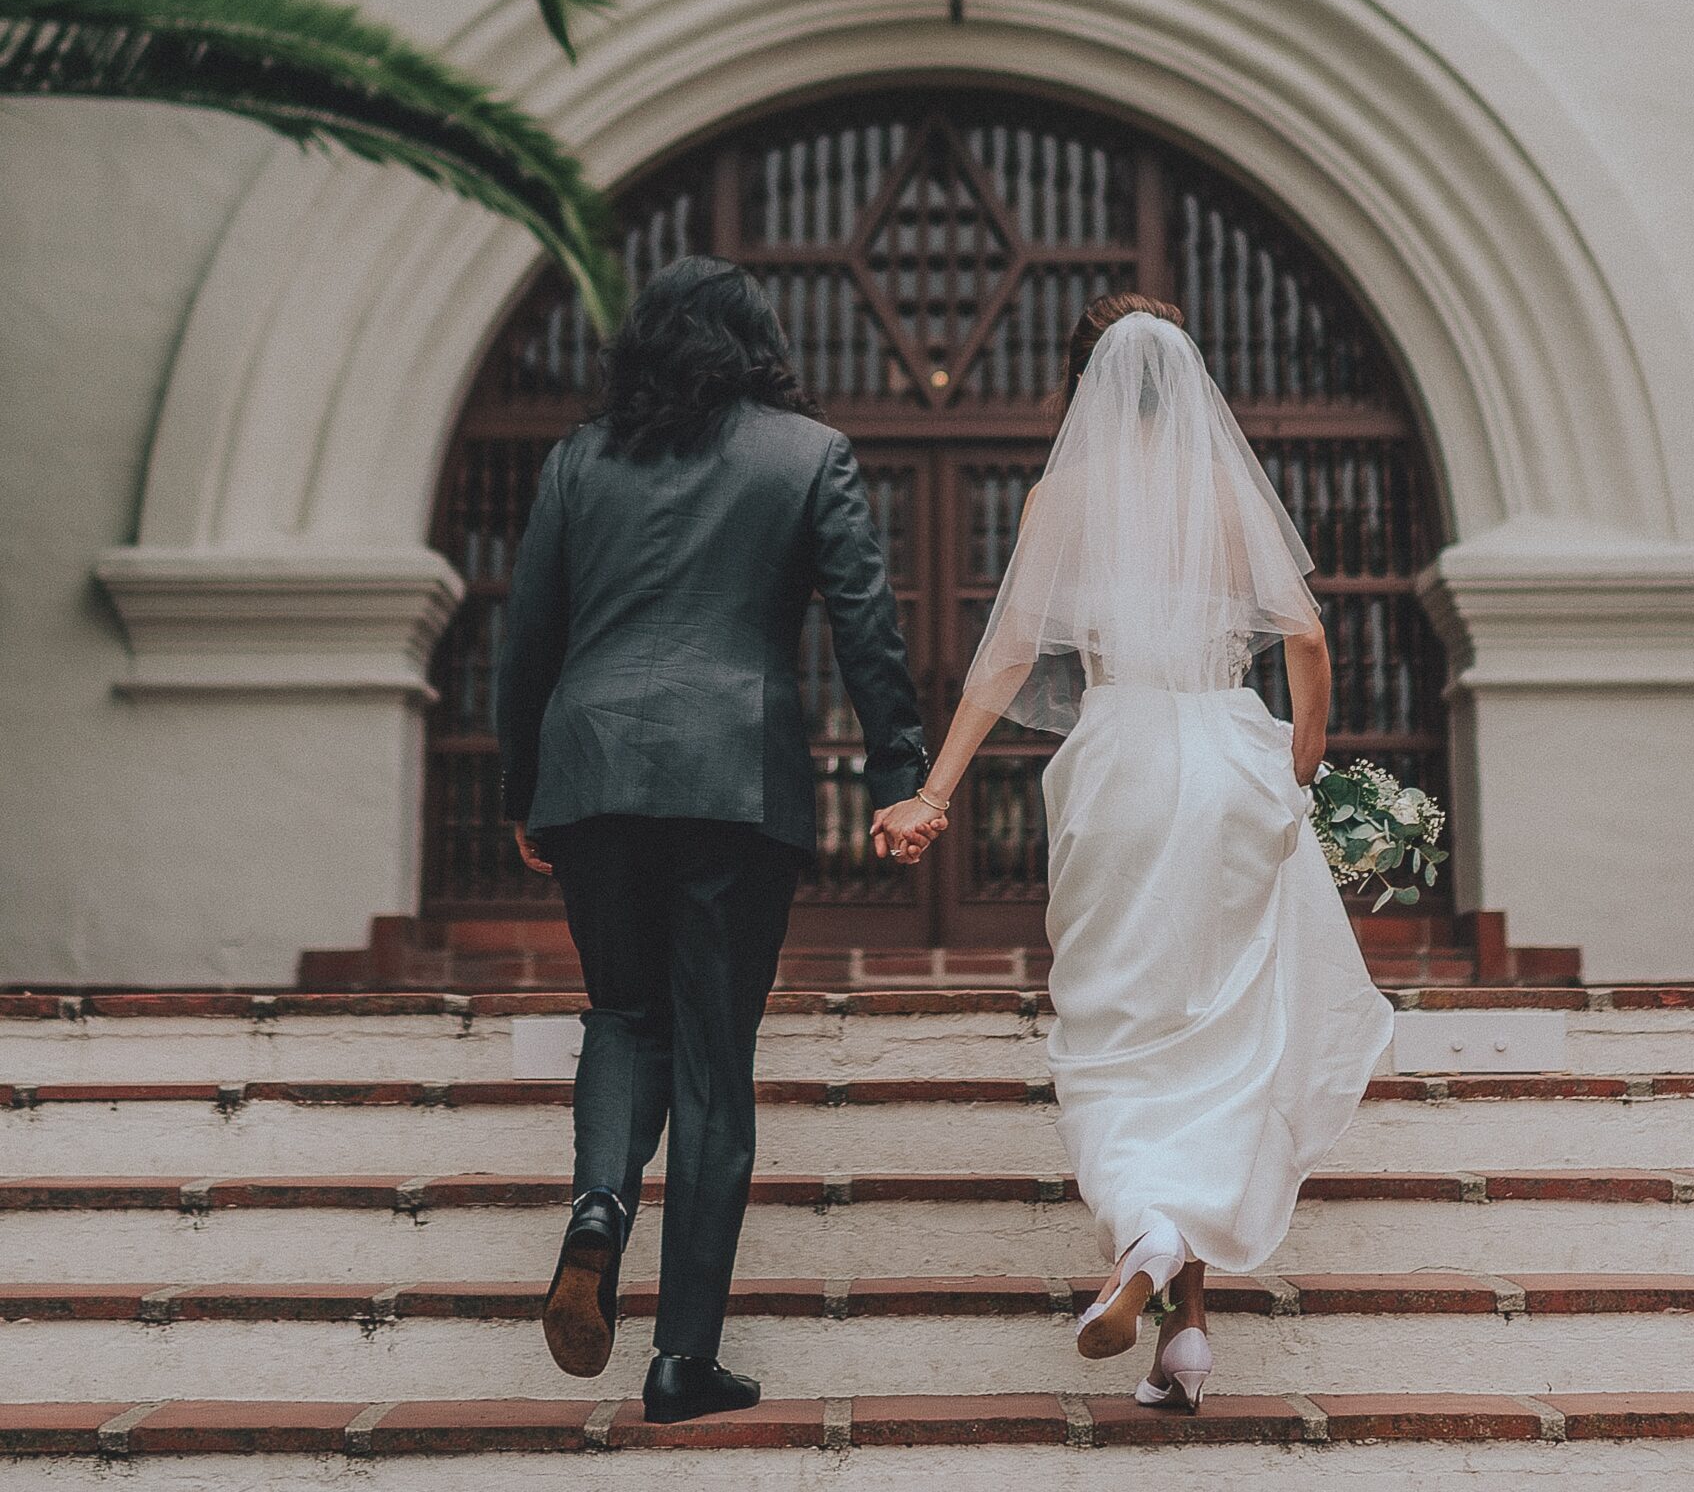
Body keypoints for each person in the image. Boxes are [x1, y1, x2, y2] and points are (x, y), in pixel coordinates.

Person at [875, 292, 1394, 1412]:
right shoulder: (1225, 488)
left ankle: (1145, 1229)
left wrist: (932, 789)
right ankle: (1187, 1329)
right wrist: (1300, 762)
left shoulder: (1062, 496)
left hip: (1117, 768)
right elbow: (1306, 638)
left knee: (1114, 1037)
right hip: (1226, 759)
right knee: (1212, 1039)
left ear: (1081, 388)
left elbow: (1006, 658)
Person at [496, 257, 930, 1427]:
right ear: (758, 342)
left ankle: (598, 1204)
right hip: (735, 781)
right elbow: (865, 623)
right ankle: (682, 1358)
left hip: (592, 769)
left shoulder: (578, 458)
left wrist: (525, 787)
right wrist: (897, 771)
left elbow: (526, 632)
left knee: (620, 1012)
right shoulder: (807, 454)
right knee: (710, 1057)